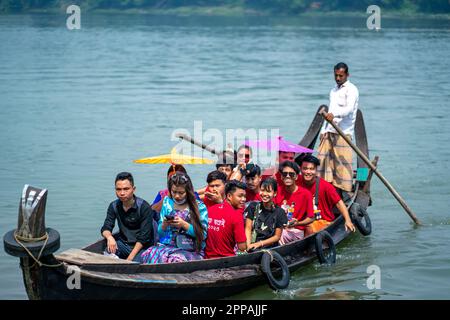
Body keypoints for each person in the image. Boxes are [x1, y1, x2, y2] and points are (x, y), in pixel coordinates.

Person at [140, 172, 208, 264]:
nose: (177, 196)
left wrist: (184, 224)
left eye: (181, 193)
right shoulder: (167, 203)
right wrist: (164, 225)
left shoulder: (199, 207)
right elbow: (160, 234)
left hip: (190, 249)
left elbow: (203, 234)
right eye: (174, 192)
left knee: (175, 260)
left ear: (188, 191)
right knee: (149, 253)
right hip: (167, 246)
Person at [318, 62, 359, 194]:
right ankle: (325, 191)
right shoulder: (334, 90)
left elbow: (349, 109)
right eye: (336, 75)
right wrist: (324, 130)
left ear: (347, 75)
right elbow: (330, 110)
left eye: (341, 75)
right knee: (323, 163)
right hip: (330, 130)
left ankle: (344, 194)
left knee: (342, 167)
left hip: (343, 133)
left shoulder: (352, 89)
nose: (338, 78)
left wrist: (334, 115)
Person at [101, 172, 154, 262]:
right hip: (123, 245)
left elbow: (144, 238)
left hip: (142, 248)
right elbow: (106, 227)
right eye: (118, 189)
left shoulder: (144, 207)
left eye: (126, 189)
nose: (122, 193)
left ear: (133, 189)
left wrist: (129, 259)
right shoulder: (114, 206)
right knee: (107, 251)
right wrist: (109, 237)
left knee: (135, 264)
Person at [298, 154, 356, 235]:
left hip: (322, 221)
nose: (308, 172)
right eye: (305, 169)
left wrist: (348, 220)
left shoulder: (326, 186)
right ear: (300, 169)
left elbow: (339, 203)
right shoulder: (296, 182)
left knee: (308, 228)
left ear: (316, 170)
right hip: (302, 219)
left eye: (311, 169)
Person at [204, 180, 247, 258]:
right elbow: (242, 247)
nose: (243, 199)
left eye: (244, 196)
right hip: (227, 261)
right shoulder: (237, 216)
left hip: (207, 259)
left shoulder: (210, 210)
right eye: (240, 196)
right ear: (229, 196)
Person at [274, 161, 315, 244]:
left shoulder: (306, 194)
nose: (288, 176)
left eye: (291, 174)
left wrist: (297, 223)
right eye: (285, 174)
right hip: (278, 228)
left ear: (296, 177)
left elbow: (311, 217)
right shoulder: (277, 191)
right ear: (281, 177)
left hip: (296, 230)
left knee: (280, 234)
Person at [244, 178, 287, 251]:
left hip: (270, 248)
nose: (264, 194)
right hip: (252, 245)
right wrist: (248, 246)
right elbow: (248, 228)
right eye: (262, 190)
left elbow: (277, 236)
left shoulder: (280, 212)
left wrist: (259, 244)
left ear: (275, 193)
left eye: (268, 191)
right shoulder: (253, 206)